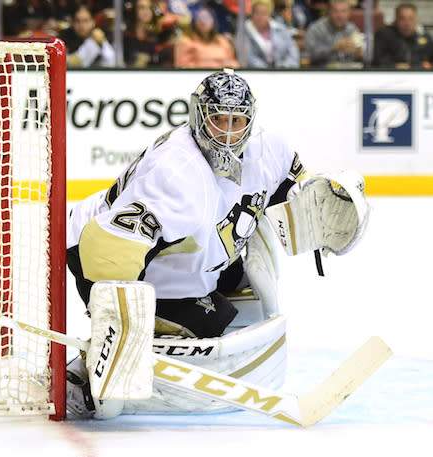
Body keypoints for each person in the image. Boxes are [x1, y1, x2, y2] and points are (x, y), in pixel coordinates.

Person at [65, 69, 369, 418]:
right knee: (205, 322)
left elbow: (294, 193)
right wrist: (119, 328)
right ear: (198, 116)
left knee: (241, 281)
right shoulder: (178, 175)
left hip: (191, 251)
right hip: (101, 252)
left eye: (237, 121)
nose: (227, 133)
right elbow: (105, 248)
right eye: (218, 120)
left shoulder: (270, 150)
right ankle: (79, 382)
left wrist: (321, 209)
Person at [303, 0, 364, 68]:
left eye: (343, 11)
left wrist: (358, 53)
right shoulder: (316, 29)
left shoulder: (352, 29)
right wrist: (334, 48)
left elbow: (361, 57)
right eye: (336, 11)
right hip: (323, 72)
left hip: (348, 71)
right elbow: (310, 55)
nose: (340, 15)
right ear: (329, 11)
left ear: (349, 13)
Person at [174, 6, 238, 68]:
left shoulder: (222, 41)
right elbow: (182, 67)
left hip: (221, 76)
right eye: (200, 18)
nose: (203, 22)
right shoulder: (185, 41)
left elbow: (233, 63)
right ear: (194, 22)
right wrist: (213, 65)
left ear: (213, 21)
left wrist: (230, 65)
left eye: (206, 18)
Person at [373, 3, 433, 70]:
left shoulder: (424, 37)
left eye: (411, 19)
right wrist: (393, 66)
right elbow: (376, 60)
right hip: (391, 75)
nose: (407, 23)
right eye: (402, 19)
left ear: (416, 20)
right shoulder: (384, 35)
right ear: (395, 20)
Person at [244, 0, 300, 68]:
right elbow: (249, 57)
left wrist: (284, 67)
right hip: (258, 73)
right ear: (251, 14)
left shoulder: (281, 29)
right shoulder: (245, 31)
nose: (260, 16)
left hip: (283, 71)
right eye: (257, 13)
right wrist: (267, 71)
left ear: (269, 14)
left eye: (264, 13)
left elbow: (292, 51)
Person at [123, 0, 175, 67]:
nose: (146, 12)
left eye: (149, 8)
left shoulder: (156, 37)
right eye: (142, 8)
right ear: (134, 10)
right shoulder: (126, 37)